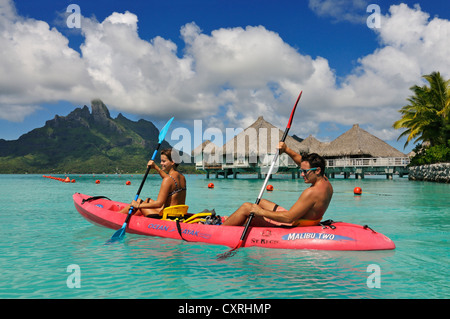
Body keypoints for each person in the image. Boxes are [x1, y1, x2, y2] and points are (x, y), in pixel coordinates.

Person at [222, 142, 333, 227]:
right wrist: (286, 150)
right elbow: (303, 163)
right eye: (301, 171)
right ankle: (238, 220)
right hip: (305, 220)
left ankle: (219, 229)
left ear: (317, 170)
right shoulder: (325, 181)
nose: (302, 174)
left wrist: (261, 212)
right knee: (262, 202)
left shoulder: (311, 192)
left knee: (247, 207)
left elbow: (289, 218)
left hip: (293, 225)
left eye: (304, 172)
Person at [119, 148, 187, 217]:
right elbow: (169, 180)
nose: (161, 163)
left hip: (166, 217)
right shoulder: (182, 177)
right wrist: (156, 167)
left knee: (139, 201)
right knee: (148, 200)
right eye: (161, 161)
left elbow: (159, 204)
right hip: (178, 214)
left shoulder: (168, 180)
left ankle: (118, 216)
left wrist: (138, 205)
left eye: (164, 161)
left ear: (172, 162)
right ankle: (133, 218)